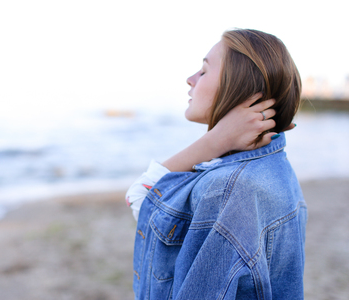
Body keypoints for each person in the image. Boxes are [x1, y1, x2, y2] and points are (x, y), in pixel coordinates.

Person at [126, 29, 306, 300]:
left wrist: (216, 139)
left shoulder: (226, 189)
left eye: (203, 71)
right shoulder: (275, 167)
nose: (190, 80)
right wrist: (217, 140)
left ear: (239, 88)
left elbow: (140, 195)